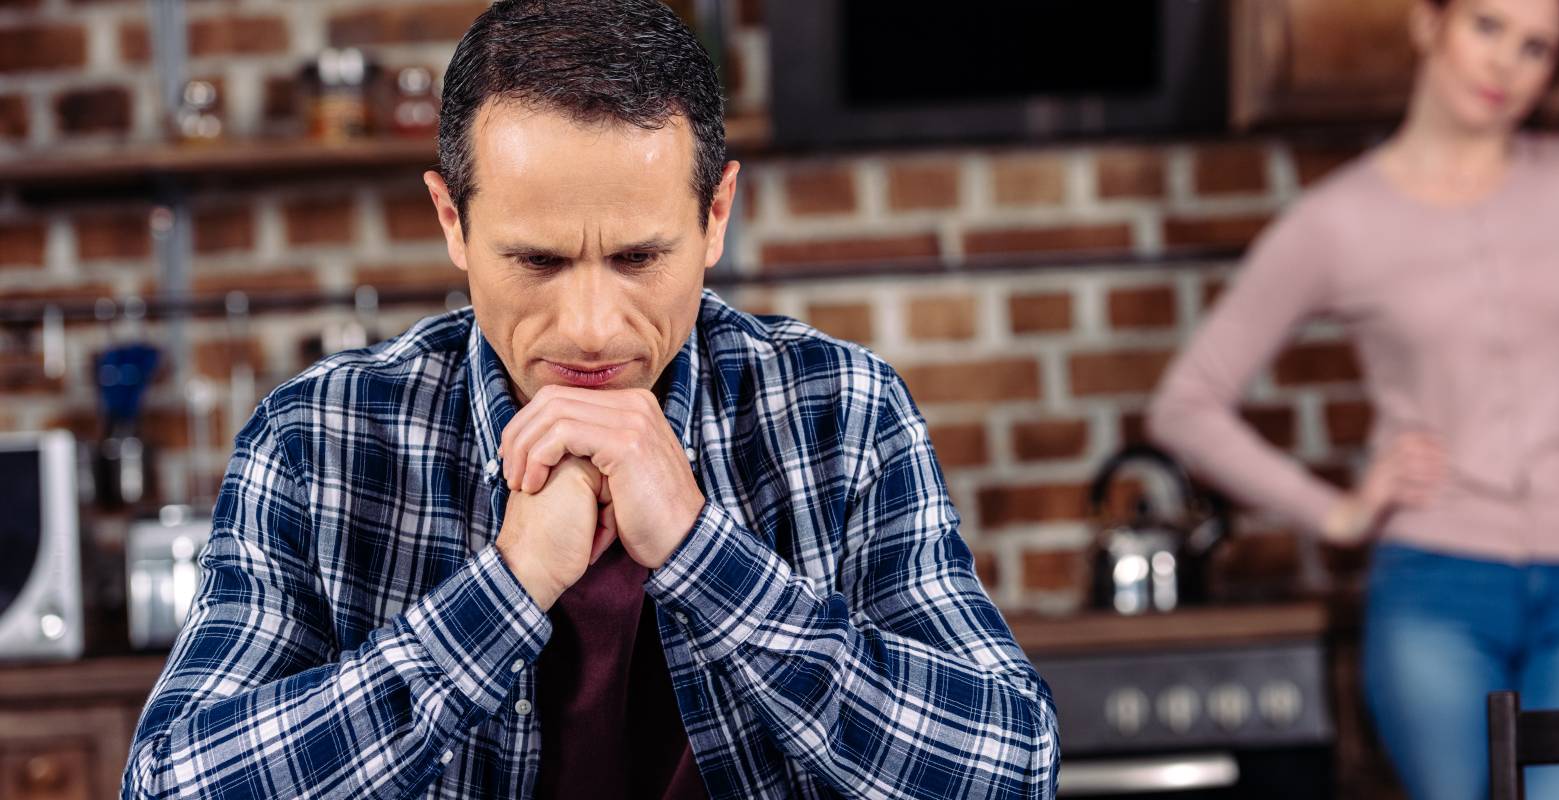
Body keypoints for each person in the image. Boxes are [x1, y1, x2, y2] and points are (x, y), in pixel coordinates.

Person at [122, 1, 1059, 797]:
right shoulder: (318, 438)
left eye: (640, 258)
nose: (593, 329)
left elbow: (1013, 764)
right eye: (537, 260)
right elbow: (170, 782)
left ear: (717, 215)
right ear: (453, 221)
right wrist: (509, 585)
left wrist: (703, 553)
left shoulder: (841, 411)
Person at [1147, 0, 1559, 797]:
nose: (1505, 64)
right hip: (1433, 590)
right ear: (1430, 24)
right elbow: (1187, 404)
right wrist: (1339, 514)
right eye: (1486, 27)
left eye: (1536, 48)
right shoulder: (1336, 223)